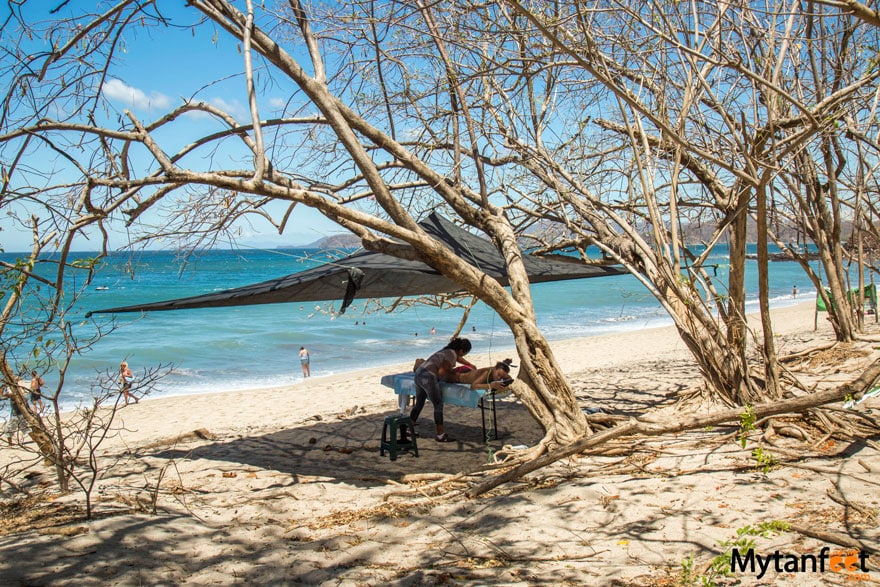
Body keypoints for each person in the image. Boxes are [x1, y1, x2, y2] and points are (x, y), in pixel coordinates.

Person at [410, 337, 476, 443]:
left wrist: (470, 365)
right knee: (438, 404)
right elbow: (441, 373)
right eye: (464, 353)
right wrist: (451, 374)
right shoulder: (451, 354)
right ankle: (440, 435)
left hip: (419, 373)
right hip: (428, 377)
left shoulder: (447, 351)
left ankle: (409, 428)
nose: (463, 356)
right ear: (461, 351)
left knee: (419, 402)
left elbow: (458, 358)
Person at [443, 358, 515, 392]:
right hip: (458, 377)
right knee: (442, 377)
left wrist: (507, 381)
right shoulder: (487, 372)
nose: (499, 378)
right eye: (498, 375)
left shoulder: (500, 372)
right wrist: (491, 386)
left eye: (501, 377)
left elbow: (509, 379)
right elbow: (473, 386)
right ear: (494, 368)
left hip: (470, 372)